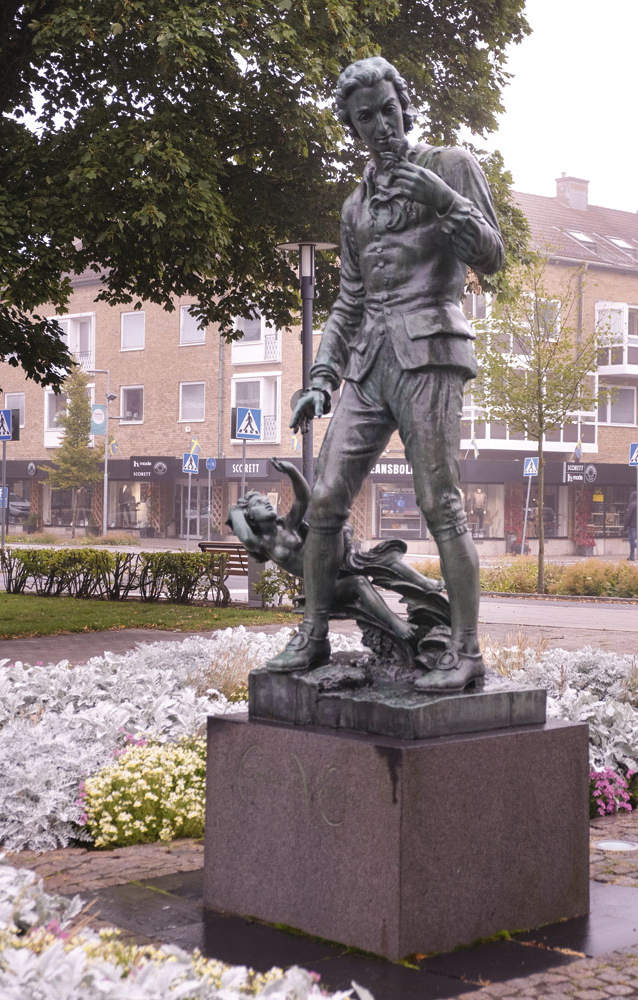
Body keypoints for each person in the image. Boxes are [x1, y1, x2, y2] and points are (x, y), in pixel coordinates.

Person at [267, 56, 504, 692]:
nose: (380, 125)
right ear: (351, 125)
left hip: (430, 352)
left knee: (440, 504)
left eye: (388, 110)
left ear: (404, 104)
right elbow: (348, 299)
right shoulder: (354, 206)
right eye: (364, 117)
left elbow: (493, 254)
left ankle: (466, 651)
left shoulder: (451, 165)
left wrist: (441, 198)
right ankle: (313, 636)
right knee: (323, 500)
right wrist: (321, 375)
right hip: (369, 367)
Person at [228, 458, 442, 644]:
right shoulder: (262, 543)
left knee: (383, 557)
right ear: (249, 516)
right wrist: (235, 511)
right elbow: (245, 536)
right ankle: (397, 624)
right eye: (258, 503)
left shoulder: (288, 525)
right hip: (323, 586)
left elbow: (303, 498)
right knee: (359, 583)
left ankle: (426, 585)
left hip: (337, 562)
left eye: (266, 500)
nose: (266, 503)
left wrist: (292, 471)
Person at [622, 491, 638, 561]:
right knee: (633, 541)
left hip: (632, 526)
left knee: (632, 541)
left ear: (632, 497)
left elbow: (628, 516)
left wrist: (625, 527)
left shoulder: (632, 505)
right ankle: (631, 556)